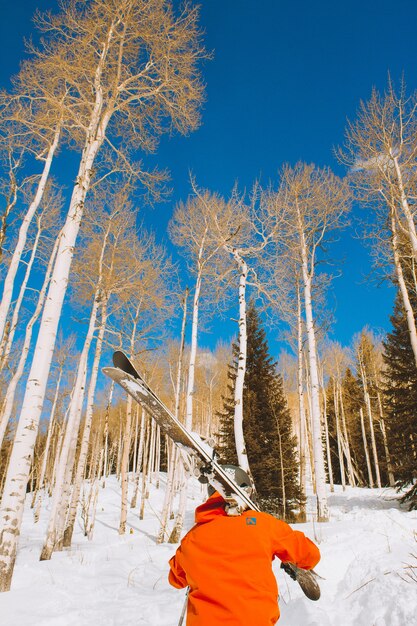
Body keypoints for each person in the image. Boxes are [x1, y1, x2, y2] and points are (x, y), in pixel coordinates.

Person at [168, 465, 320, 626]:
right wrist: (290, 559)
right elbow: (310, 554)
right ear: (247, 492)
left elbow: (175, 579)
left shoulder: (191, 538)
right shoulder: (263, 524)